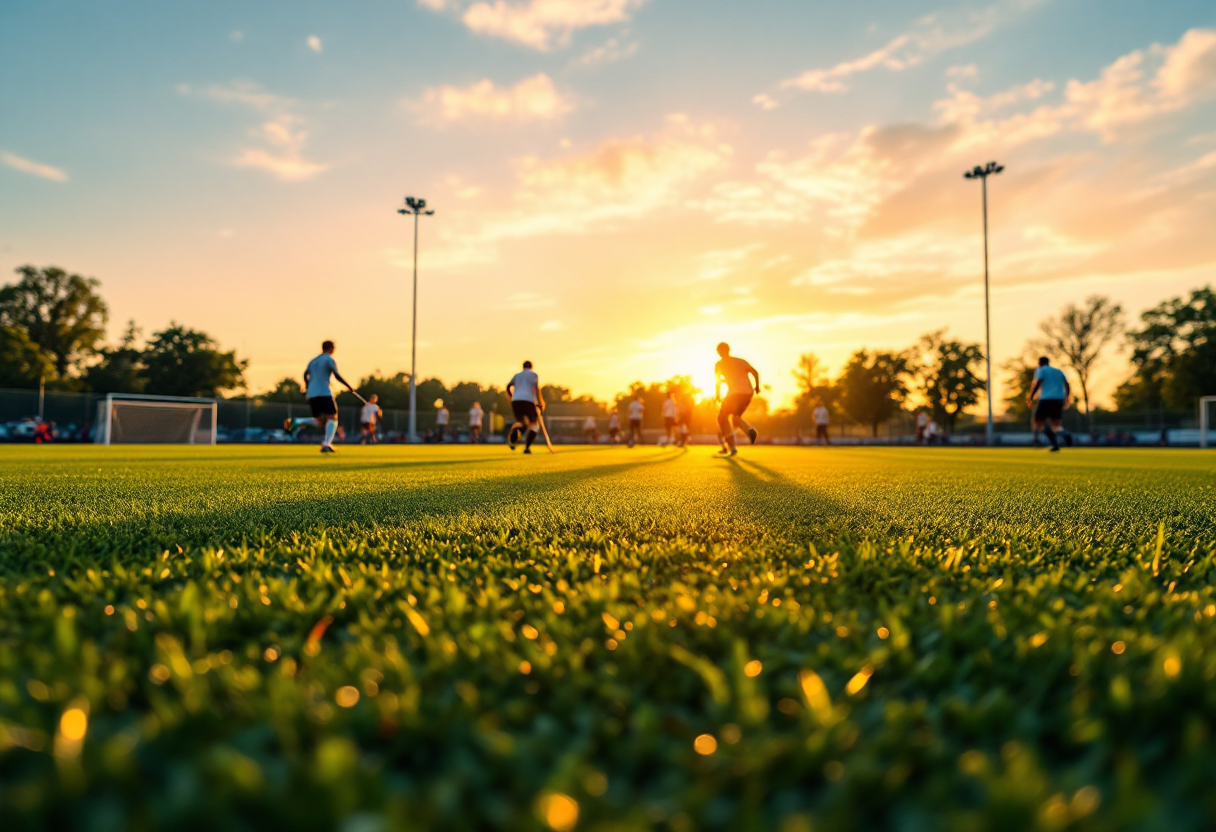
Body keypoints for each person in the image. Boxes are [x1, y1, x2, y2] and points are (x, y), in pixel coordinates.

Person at [301, 340, 357, 453]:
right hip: (324, 392)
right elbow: (336, 375)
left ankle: (298, 423)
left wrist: (308, 386)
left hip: (312, 393)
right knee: (332, 417)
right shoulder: (328, 359)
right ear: (331, 348)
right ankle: (326, 444)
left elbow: (305, 374)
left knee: (320, 421)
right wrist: (349, 386)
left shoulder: (313, 361)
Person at [714, 342, 760, 456]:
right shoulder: (741, 361)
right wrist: (757, 386)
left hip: (734, 394)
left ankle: (732, 447)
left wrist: (717, 395)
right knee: (735, 418)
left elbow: (718, 381)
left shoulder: (719, 364)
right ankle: (749, 431)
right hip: (748, 393)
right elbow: (755, 372)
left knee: (722, 417)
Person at [1028, 356, 1071, 452]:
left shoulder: (1041, 370)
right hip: (1058, 399)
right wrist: (1067, 397)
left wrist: (1030, 397)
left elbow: (1038, 382)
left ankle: (1037, 441)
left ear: (1039, 363)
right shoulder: (1058, 371)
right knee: (1055, 423)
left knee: (1037, 421)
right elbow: (1067, 384)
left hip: (1046, 399)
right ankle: (1064, 434)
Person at [506, 360, 545, 454]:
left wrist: (512, 397)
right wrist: (541, 403)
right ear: (531, 367)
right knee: (534, 425)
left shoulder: (517, 375)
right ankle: (527, 448)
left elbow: (508, 387)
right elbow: (536, 389)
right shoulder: (534, 375)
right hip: (528, 400)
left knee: (520, 422)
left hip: (516, 400)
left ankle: (515, 433)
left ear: (523, 367)